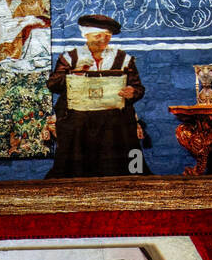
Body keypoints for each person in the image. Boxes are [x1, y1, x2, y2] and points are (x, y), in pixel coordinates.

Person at [45, 14, 145, 178]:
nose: (102, 40)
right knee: (75, 125)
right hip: (79, 114)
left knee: (120, 125)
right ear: (86, 35)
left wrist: (132, 92)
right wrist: (74, 73)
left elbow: (138, 87)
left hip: (113, 114)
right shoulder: (70, 58)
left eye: (107, 36)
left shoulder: (123, 59)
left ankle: (127, 178)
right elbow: (53, 85)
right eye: (97, 36)